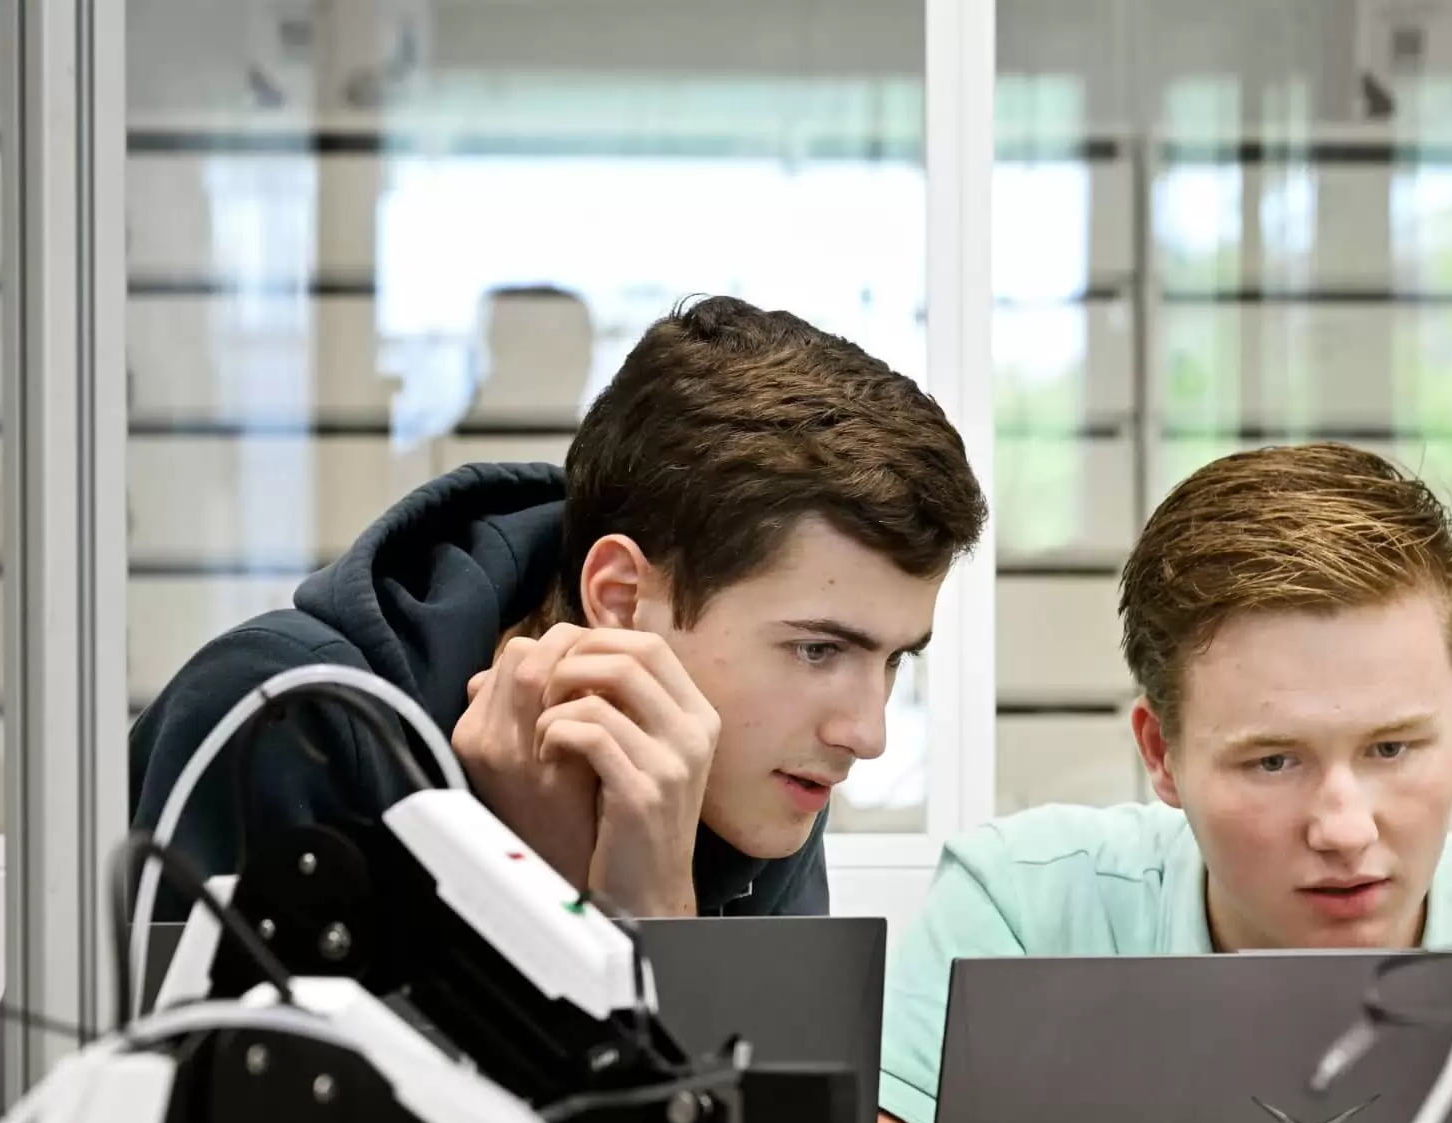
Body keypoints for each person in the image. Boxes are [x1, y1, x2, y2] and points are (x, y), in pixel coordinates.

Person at [869, 441, 1452, 1123]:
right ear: (1161, 754)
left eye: (1392, 749)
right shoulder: (1023, 908)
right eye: (1274, 761)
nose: (1344, 828)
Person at [132, 298, 987, 922]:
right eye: (817, 651)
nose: (865, 734)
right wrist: (530, 893)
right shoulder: (283, 715)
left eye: (894, 659)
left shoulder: (767, 776)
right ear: (621, 597)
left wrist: (647, 907)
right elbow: (182, 1113)